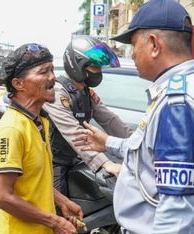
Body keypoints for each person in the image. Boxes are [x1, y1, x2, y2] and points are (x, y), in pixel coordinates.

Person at [72, 1, 194, 234]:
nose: (133, 53)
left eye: (134, 45)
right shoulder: (180, 90)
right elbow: (149, 151)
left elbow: (175, 205)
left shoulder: (178, 103)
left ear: (154, 44)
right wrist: (108, 143)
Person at [0, 43, 83, 234]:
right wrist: (55, 222)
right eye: (43, 72)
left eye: (52, 70)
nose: (52, 78)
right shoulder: (12, 128)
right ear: (18, 84)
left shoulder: (40, 121)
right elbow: (2, 196)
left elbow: (33, 179)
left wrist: (61, 201)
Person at [43, 35, 132, 195]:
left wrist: (137, 143)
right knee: (60, 213)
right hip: (55, 162)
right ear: (77, 66)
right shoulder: (59, 93)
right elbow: (73, 133)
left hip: (76, 158)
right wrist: (105, 163)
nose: (98, 72)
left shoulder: (86, 92)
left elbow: (110, 120)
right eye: (95, 67)